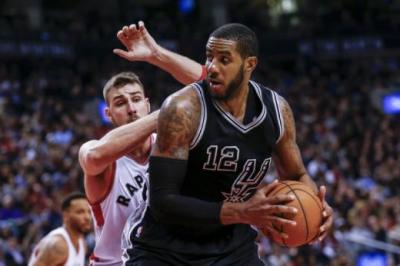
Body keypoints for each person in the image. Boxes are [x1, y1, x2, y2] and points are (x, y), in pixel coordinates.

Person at [125, 23, 334, 265]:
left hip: (232, 246)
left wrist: (317, 207)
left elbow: (297, 175)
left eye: (224, 59)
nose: (212, 67)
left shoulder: (277, 111)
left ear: (250, 64)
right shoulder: (183, 109)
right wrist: (241, 211)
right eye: (209, 57)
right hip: (164, 248)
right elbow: (162, 202)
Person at [78, 21, 204, 266]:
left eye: (136, 99)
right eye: (120, 103)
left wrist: (157, 55)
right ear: (109, 114)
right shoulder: (101, 154)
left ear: (147, 104)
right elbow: (92, 157)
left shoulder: (175, 145)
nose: (131, 107)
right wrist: (168, 112)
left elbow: (210, 88)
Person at [28, 192, 92, 266]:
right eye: (80, 212)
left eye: (89, 212)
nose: (87, 217)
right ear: (66, 216)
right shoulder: (58, 245)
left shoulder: (81, 243)